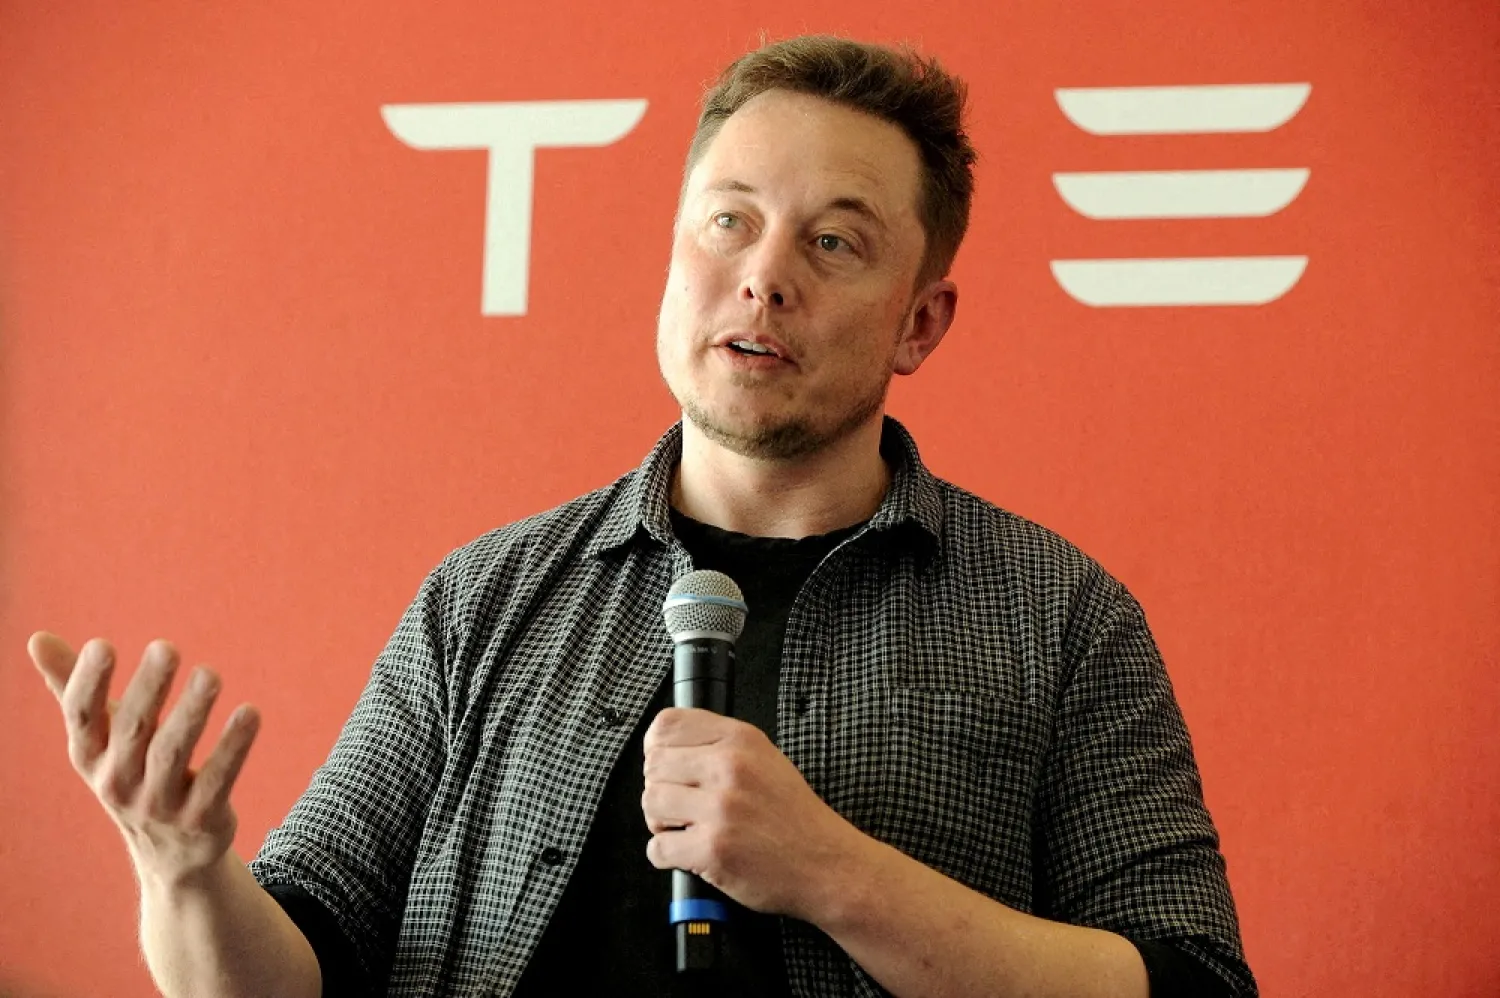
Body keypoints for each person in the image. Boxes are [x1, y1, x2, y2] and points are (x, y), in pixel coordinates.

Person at [28, 35, 1256, 998]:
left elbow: (1191, 980)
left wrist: (836, 873)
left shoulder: (1059, 615)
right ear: (674, 258)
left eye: (835, 241)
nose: (764, 273)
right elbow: (299, 957)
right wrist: (183, 874)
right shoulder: (488, 595)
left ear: (920, 322)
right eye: (729, 219)